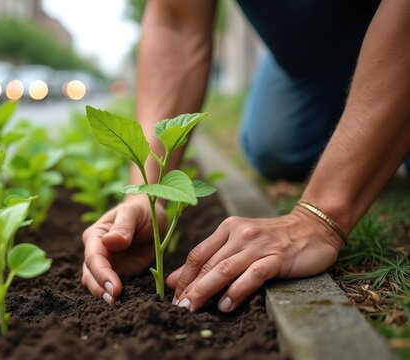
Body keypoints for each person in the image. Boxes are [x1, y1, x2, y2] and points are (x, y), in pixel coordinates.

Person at [81, 0, 410, 313]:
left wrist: (319, 216)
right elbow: (176, 21)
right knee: (274, 147)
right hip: (311, 56)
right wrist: (144, 195)